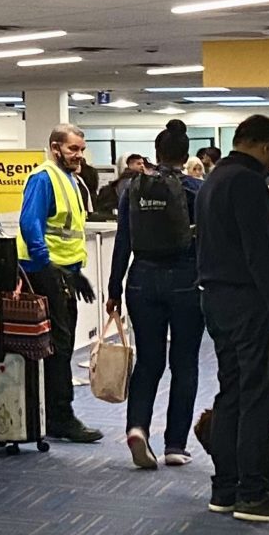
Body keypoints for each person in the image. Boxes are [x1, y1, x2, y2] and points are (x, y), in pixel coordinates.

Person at [195, 114, 269, 524]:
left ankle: (225, 489)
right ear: (262, 145)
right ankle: (253, 493)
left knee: (232, 394)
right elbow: (259, 252)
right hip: (248, 302)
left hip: (216, 298)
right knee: (258, 398)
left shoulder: (213, 180)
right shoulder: (246, 184)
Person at [106, 122, 202, 470]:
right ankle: (175, 445)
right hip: (186, 281)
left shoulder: (132, 188)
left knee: (148, 361)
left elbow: (123, 241)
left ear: (157, 153)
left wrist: (114, 288)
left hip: (141, 280)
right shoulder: (196, 189)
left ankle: (137, 427)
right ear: (185, 155)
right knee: (185, 361)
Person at [18, 125, 103, 444]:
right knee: (59, 345)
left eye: (81, 149)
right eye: (73, 149)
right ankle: (61, 417)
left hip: (64, 270)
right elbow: (30, 223)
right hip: (44, 271)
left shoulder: (70, 179)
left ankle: (56, 414)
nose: (79, 155)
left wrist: (75, 271)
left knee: (61, 346)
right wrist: (48, 264)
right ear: (55, 148)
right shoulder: (43, 178)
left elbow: (66, 230)